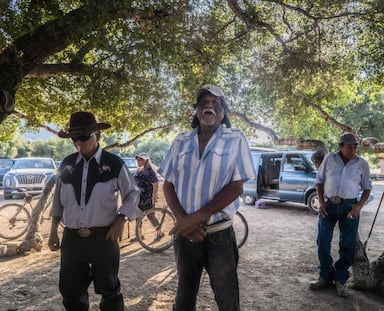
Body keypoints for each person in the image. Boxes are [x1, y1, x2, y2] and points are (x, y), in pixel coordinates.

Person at [158, 84, 256, 311]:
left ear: (223, 112)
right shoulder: (180, 141)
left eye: (215, 103)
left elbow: (237, 186)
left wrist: (198, 217)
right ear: (196, 110)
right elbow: (168, 184)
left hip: (218, 235)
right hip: (185, 237)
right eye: (203, 103)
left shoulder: (236, 139)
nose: (209, 106)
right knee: (184, 298)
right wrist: (184, 221)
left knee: (227, 299)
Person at [48, 111, 141, 311]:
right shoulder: (67, 164)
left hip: (103, 239)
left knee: (110, 291)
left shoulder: (114, 164)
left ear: (98, 135)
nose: (78, 143)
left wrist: (121, 219)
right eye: (74, 138)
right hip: (72, 239)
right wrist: (53, 230)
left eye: (83, 137)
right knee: (71, 292)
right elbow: (57, 201)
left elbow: (133, 193)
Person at [309, 132, 372, 298]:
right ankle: (325, 276)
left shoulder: (362, 164)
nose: (353, 149)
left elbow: (367, 187)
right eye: (350, 146)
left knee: (347, 244)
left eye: (355, 145)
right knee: (322, 241)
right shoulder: (329, 159)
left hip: (349, 207)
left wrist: (358, 206)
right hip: (328, 206)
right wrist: (321, 202)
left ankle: (340, 280)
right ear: (341, 146)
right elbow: (319, 181)